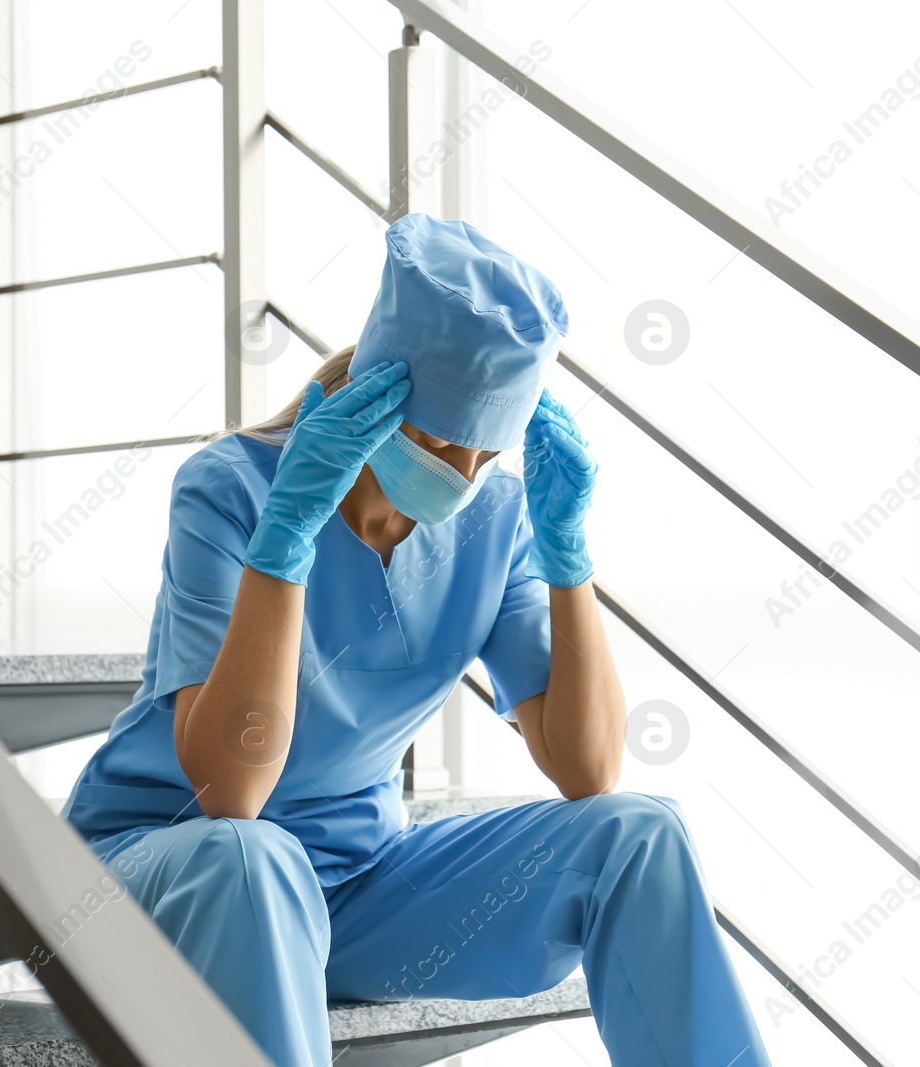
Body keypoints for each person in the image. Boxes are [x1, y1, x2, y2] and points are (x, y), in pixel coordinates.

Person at [61, 214, 770, 1066]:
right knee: (256, 858)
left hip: (355, 890)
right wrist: (286, 536)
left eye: (486, 452)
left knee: (640, 832)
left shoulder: (495, 519)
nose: (462, 476)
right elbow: (231, 793)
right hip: (173, 874)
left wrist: (567, 558)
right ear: (377, 392)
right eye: (439, 441)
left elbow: (587, 767)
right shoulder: (232, 489)